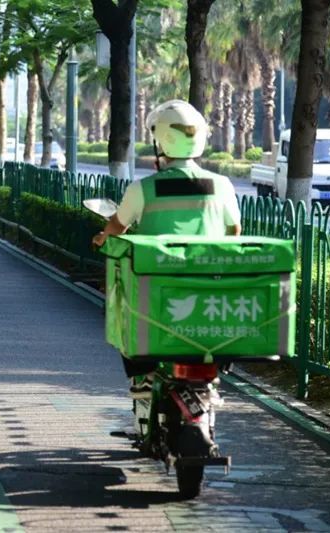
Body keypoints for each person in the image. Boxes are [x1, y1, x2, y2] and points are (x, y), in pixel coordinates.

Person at [92, 99, 242, 397]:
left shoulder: (144, 188)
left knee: (125, 319)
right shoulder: (222, 185)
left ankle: (142, 380)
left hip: (156, 290)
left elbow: (116, 227)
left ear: (161, 141)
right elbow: (234, 231)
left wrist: (101, 238)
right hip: (208, 287)